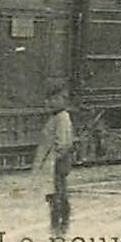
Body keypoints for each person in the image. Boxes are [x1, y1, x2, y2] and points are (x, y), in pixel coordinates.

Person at [32, 84, 76, 233]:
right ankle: (60, 224)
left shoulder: (61, 117)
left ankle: (59, 226)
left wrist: (53, 160)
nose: (47, 103)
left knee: (57, 193)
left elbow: (63, 143)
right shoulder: (57, 117)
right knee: (57, 192)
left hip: (56, 163)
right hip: (53, 162)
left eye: (51, 100)